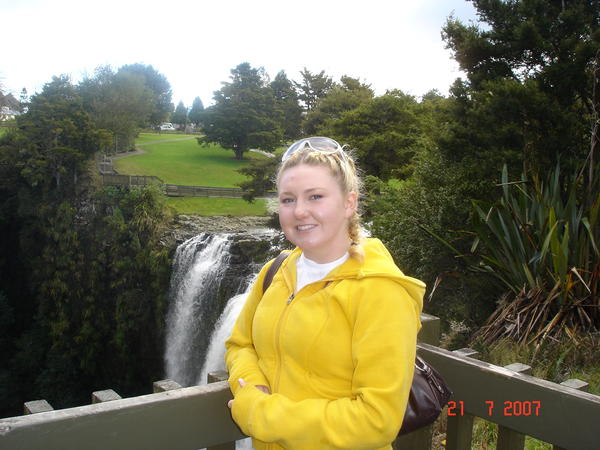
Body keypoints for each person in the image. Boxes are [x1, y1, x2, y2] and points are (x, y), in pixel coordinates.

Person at [225, 136, 425, 450]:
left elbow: (377, 420)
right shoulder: (275, 271)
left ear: (349, 203)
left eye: (315, 196)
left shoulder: (381, 291)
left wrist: (261, 415)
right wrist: (251, 386)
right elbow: (240, 344)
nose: (299, 211)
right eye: (288, 200)